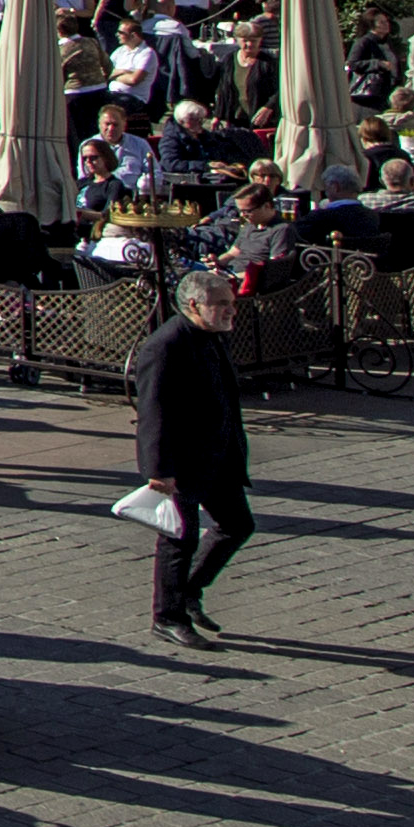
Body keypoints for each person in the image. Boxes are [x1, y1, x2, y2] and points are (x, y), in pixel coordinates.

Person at [132, 272, 255, 643]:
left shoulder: (213, 336)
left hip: (219, 455)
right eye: (222, 305)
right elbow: (152, 411)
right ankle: (167, 616)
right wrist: (158, 469)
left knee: (238, 525)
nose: (231, 311)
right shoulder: (165, 345)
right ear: (193, 306)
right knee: (179, 539)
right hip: (183, 461)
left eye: (231, 303)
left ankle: (189, 593)